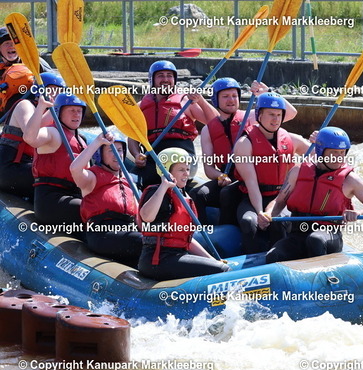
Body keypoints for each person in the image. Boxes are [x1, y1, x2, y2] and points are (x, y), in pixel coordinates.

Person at [264, 127, 363, 263]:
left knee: (315, 240)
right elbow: (279, 201)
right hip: (297, 233)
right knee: (274, 255)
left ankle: (322, 273)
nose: (338, 157)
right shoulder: (298, 171)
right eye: (334, 152)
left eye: (342, 152)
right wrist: (267, 214)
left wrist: (359, 213)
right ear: (320, 151)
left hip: (328, 235)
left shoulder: (349, 179)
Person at [190, 77, 297, 225]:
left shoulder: (253, 116)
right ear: (215, 99)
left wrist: (268, 92)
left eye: (234, 96)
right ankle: (204, 232)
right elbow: (208, 168)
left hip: (251, 176)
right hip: (227, 176)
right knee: (198, 194)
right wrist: (220, 176)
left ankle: (230, 226)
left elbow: (291, 113)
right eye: (225, 96)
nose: (231, 100)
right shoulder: (208, 130)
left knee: (227, 193)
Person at [233, 92, 310, 254]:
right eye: (271, 114)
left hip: (282, 197)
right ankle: (252, 259)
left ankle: (279, 256)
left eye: (278, 115)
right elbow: (251, 183)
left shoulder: (291, 139)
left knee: (278, 221)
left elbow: (322, 157)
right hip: (253, 197)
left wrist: (319, 141)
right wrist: (260, 212)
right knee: (249, 222)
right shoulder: (244, 144)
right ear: (259, 115)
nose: (275, 119)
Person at [138, 147, 229, 280]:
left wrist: (213, 260)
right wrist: (164, 186)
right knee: (222, 270)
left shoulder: (184, 197)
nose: (186, 173)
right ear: (166, 171)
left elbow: (188, 241)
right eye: (181, 170)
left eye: (187, 169)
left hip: (177, 256)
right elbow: (146, 216)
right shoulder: (157, 192)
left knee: (220, 266)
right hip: (158, 260)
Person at [127, 60, 217, 189]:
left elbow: (217, 123)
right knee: (131, 182)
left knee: (169, 171)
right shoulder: (141, 106)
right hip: (153, 159)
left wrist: (201, 101)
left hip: (182, 158)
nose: (165, 79)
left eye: (169, 75)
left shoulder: (186, 101)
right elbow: (133, 137)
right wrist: (136, 154)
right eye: (160, 75)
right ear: (152, 79)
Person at [70, 135, 142, 268]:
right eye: (111, 150)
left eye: (119, 150)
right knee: (142, 241)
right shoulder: (91, 178)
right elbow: (75, 169)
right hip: (101, 233)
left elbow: (138, 218)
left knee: (152, 241)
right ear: (100, 155)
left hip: (127, 232)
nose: (117, 154)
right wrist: (97, 142)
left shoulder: (129, 181)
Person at [23, 93, 87, 226]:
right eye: (71, 110)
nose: (76, 114)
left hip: (73, 195)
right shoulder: (52, 133)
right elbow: (29, 138)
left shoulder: (81, 140)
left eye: (79, 111)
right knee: (93, 210)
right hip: (51, 200)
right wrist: (41, 108)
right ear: (59, 113)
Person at [0, 72, 66, 198]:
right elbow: (31, 134)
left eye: (60, 91)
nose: (57, 95)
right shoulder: (25, 105)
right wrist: (55, 109)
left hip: (27, 165)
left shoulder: (49, 112)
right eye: (53, 90)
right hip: (10, 167)